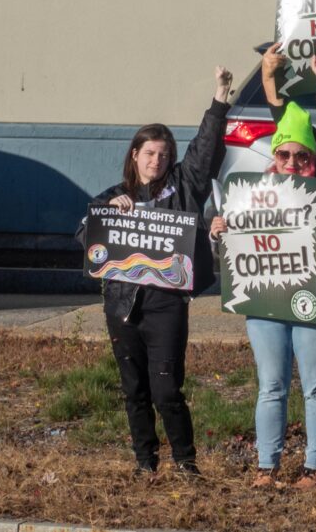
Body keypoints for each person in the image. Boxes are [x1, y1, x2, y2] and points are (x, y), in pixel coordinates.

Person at [87, 65, 232, 477]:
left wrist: (219, 100)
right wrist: (104, 216)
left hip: (167, 303)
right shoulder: (113, 197)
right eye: (150, 153)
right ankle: (144, 463)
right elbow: (85, 236)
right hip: (122, 306)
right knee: (134, 389)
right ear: (135, 155)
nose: (157, 160)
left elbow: (204, 150)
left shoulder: (184, 185)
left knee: (167, 389)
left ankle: (187, 463)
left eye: (164, 155)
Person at [211, 61, 316, 490]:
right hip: (266, 302)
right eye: (284, 154)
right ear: (275, 155)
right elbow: (232, 254)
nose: (291, 161)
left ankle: (315, 467)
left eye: (301, 155)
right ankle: (266, 466)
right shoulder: (249, 193)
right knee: (270, 385)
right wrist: (219, 231)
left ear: (312, 159)